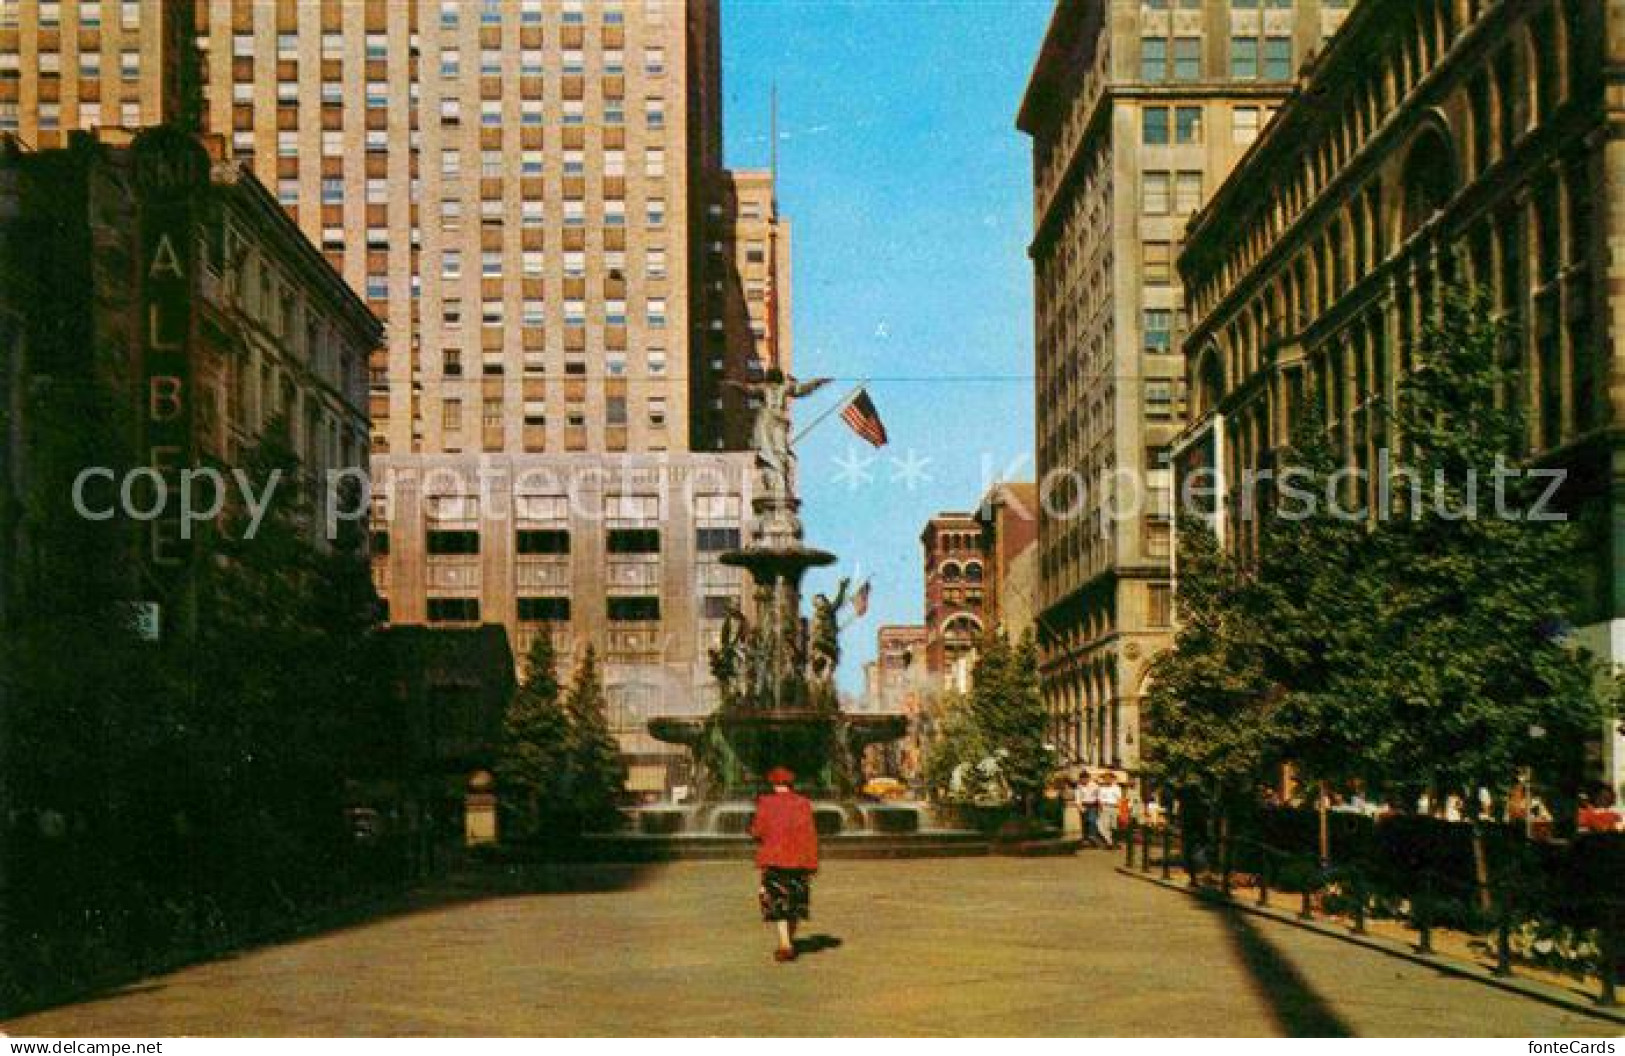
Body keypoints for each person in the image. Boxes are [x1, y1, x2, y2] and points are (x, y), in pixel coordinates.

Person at [749, 766, 819, 962]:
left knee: (777, 900)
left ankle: (784, 943)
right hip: (798, 861)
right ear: (791, 784)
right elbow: (810, 835)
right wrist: (812, 863)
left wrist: (757, 833)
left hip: (774, 860)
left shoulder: (765, 803)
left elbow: (758, 831)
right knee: (795, 902)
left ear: (774, 784)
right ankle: (789, 940)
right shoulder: (803, 803)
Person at [1097, 772, 1123, 849]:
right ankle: (1109, 842)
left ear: (1112, 779)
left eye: (1109, 778)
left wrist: (1120, 809)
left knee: (1114, 826)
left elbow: (1119, 799)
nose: (1107, 780)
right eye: (1105, 778)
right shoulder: (1101, 788)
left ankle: (1115, 842)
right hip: (1105, 807)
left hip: (1115, 807)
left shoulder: (1117, 788)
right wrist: (1100, 806)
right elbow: (1099, 799)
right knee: (1103, 826)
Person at [1075, 772, 1101, 847]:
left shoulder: (1094, 785)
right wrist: (1079, 807)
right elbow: (1078, 797)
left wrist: (1099, 805)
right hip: (1083, 805)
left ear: (1088, 778)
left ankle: (1092, 837)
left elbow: (1098, 795)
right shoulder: (1079, 786)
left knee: (1092, 820)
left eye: (1085, 778)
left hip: (1092, 805)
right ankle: (1085, 839)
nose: (1084, 780)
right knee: (1084, 823)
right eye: (1082, 779)